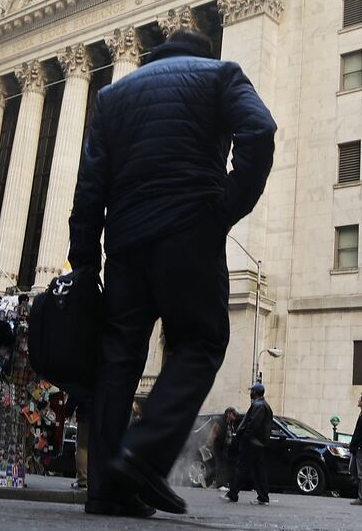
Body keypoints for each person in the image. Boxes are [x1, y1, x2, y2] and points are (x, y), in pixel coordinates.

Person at [68, 27, 275, 518]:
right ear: (203, 52)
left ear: (158, 54)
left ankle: (105, 488)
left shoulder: (114, 95)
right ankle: (144, 452)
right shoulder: (221, 75)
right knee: (200, 341)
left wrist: (84, 264)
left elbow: (88, 185)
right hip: (190, 231)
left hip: (124, 245)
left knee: (118, 357)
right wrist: (227, 204)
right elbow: (260, 130)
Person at [223, 384, 273, 505]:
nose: (250, 393)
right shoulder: (264, 405)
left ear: (255, 392)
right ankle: (263, 496)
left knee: (242, 468)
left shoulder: (258, 406)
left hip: (252, 443)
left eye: (252, 391)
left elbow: (252, 424)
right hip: (259, 443)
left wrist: (244, 437)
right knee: (258, 471)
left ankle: (233, 494)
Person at [205, 407, 238, 490]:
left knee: (221, 466)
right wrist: (208, 445)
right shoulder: (220, 422)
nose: (235, 416)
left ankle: (208, 480)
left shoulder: (229, 423)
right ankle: (220, 484)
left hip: (225, 447)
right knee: (220, 466)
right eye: (233, 414)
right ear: (228, 414)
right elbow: (213, 434)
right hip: (219, 447)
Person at [64, 396, 91, 490]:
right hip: (103, 415)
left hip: (86, 415)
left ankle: (83, 480)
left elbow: (76, 393)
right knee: (98, 448)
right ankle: (95, 481)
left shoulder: (87, 380)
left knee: (82, 447)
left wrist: (67, 410)